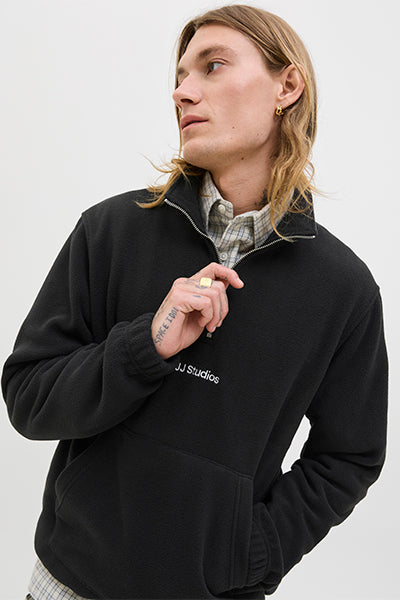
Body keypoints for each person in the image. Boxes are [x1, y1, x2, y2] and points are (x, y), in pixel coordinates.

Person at [1, 4, 388, 600]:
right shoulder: (111, 230)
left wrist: (254, 552)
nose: (182, 91)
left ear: (287, 86)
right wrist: (143, 347)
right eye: (180, 76)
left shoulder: (344, 289)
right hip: (66, 584)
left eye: (212, 66)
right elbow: (29, 399)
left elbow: (350, 456)